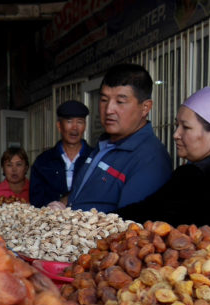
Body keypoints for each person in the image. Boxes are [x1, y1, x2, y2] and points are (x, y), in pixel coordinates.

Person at [116, 87, 210, 244]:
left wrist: (102, 220)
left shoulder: (196, 174)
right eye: (177, 125)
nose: (176, 134)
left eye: (186, 127)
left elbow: (148, 213)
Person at [61, 63, 172, 212]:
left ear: (145, 107)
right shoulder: (104, 144)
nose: (109, 110)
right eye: (104, 100)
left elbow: (130, 226)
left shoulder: (150, 159)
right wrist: (62, 205)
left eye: (120, 101)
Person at [29, 100, 92, 207]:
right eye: (69, 121)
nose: (75, 128)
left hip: (88, 221)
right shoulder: (43, 161)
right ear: (59, 126)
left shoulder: (95, 158)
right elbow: (35, 201)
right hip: (51, 221)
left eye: (80, 122)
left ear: (85, 126)